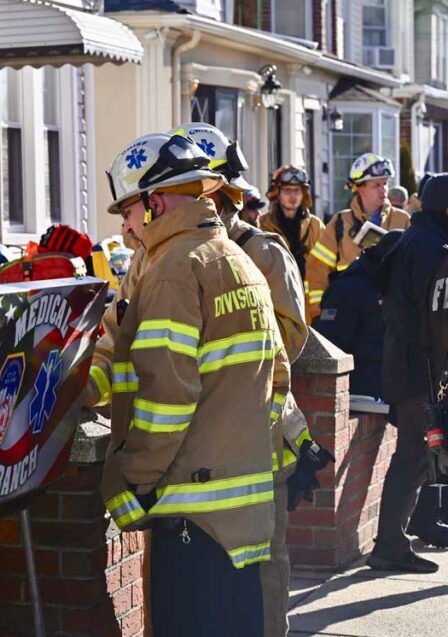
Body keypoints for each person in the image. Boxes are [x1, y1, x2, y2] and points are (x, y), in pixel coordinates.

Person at [102, 132, 283, 637]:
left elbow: (167, 398)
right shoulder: (236, 259)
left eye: (129, 210)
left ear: (155, 202)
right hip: (243, 517)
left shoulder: (173, 271)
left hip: (192, 516)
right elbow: (279, 375)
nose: (125, 225)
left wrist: (130, 481)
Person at [180, 123, 320, 637]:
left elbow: (289, 342)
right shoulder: (184, 256)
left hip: (261, 441)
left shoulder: (264, 252)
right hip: (206, 448)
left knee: (263, 567)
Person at [370, 173, 448, 572]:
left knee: (418, 456)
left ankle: (411, 530)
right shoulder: (437, 250)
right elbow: (438, 320)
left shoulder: (404, 241)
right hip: (424, 370)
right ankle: (389, 547)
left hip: (400, 363)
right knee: (414, 456)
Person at [304, 153, 409, 323]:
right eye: (376, 185)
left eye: (385, 183)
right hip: (350, 317)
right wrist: (319, 314)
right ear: (360, 188)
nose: (383, 190)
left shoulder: (402, 220)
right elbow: (316, 270)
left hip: (391, 317)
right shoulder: (340, 223)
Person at [314, 231, 402, 400]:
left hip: (382, 392)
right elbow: (329, 344)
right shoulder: (348, 289)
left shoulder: (383, 283)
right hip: (360, 395)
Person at [259, 165, 325, 281]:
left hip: (308, 295)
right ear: (277, 194)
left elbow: (325, 265)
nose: (293, 196)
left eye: (297, 190)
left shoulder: (315, 226)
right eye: (287, 190)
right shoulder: (263, 224)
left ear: (303, 194)